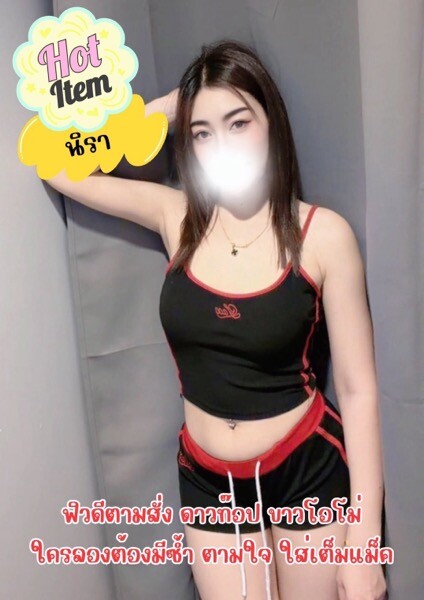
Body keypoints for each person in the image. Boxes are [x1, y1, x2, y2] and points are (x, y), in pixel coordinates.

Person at [45, 39, 387, 600]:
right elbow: (56, 163)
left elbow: (358, 390)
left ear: (271, 123)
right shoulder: (176, 215)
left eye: (238, 123)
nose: (220, 145)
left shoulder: (323, 235)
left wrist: (364, 543)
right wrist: (167, 110)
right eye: (202, 133)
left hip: (305, 470)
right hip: (210, 483)